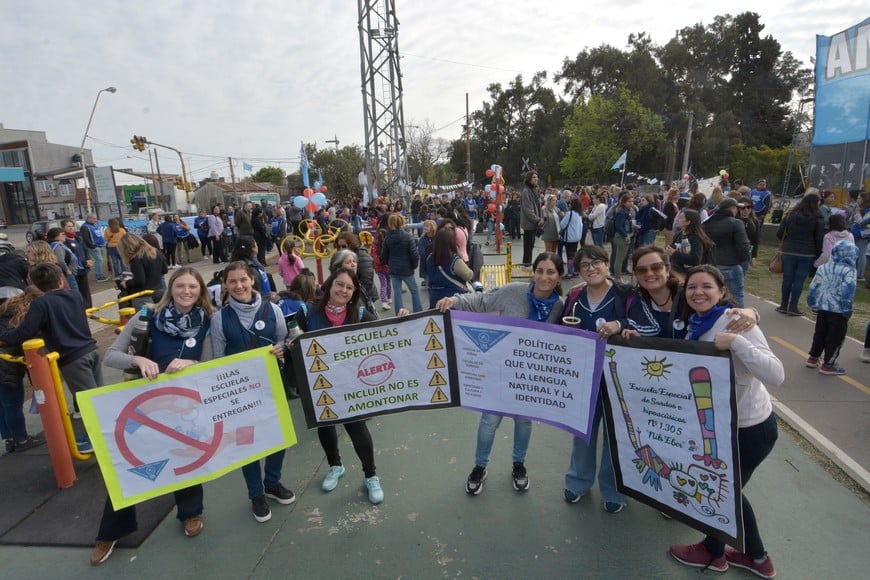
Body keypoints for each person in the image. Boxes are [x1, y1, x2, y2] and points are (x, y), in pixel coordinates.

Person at [93, 267, 215, 565]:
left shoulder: (207, 323)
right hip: (142, 406)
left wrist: (190, 363)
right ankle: (111, 530)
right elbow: (111, 356)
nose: (187, 291)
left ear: (201, 292)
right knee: (128, 464)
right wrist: (138, 358)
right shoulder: (147, 316)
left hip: (183, 406)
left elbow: (212, 362)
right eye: (181, 286)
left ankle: (190, 512)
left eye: (193, 287)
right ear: (171, 288)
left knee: (185, 458)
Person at [669, 265, 783, 580]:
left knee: (726, 493)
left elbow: (777, 374)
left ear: (722, 291)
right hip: (718, 427)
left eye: (707, 286)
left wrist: (736, 342)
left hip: (749, 429)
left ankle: (745, 555)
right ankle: (728, 553)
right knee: (722, 490)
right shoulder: (695, 322)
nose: (698, 293)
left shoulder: (735, 322)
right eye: (692, 287)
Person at [436, 252, 564, 495]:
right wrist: (454, 301)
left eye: (551, 272)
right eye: (540, 271)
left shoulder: (559, 306)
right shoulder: (513, 292)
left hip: (529, 377)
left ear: (559, 277)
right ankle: (480, 466)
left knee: (524, 422)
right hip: (500, 372)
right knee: (489, 422)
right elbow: (482, 301)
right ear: (533, 273)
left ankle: (519, 464)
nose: (544, 277)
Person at [291, 268, 387, 504]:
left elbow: (385, 335)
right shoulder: (307, 311)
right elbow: (292, 339)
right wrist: (288, 344)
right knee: (325, 426)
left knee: (357, 429)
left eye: (349, 287)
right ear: (329, 285)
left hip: (350, 385)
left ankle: (370, 475)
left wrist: (404, 318)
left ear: (354, 292)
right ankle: (335, 465)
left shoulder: (361, 313)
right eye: (339, 284)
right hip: (319, 384)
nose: (343, 290)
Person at [210, 261, 295, 522]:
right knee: (247, 442)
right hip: (240, 393)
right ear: (225, 284)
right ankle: (255, 493)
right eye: (232, 281)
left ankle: (272, 482)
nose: (238, 286)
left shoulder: (273, 310)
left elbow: (283, 338)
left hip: (272, 384)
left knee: (276, 436)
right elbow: (217, 357)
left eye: (243, 280)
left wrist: (282, 348)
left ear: (252, 280)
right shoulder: (219, 318)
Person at [559, 246, 634, 513]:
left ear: (607, 264)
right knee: (583, 433)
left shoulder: (625, 294)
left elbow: (642, 324)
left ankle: (614, 489)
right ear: (578, 272)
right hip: (583, 377)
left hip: (618, 379)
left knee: (615, 436)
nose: (591, 268)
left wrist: (620, 324)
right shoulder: (575, 296)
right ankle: (578, 481)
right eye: (585, 265)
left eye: (597, 262)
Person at [0, 262, 102, 435]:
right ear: (61, 280)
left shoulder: (41, 303)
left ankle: (96, 438)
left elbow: (25, 331)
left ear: (35, 284)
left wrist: (4, 336)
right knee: (99, 395)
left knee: (88, 401)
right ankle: (105, 434)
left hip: (72, 357)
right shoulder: (74, 295)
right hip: (91, 349)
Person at [623, 245, 759, 342]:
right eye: (642, 270)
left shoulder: (690, 295)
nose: (649, 273)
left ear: (667, 269)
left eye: (656, 267)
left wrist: (751, 311)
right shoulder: (634, 302)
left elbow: (724, 308)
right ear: (635, 273)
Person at [0, 286, 42, 453]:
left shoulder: (6, 309)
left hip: (5, 360)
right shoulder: (25, 317)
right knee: (12, 403)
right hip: (7, 364)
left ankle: (9, 439)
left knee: (3, 404)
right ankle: (21, 440)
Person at [806, 240, 858, 375]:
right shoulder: (850, 271)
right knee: (835, 337)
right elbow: (848, 291)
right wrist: (847, 309)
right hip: (839, 310)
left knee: (820, 333)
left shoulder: (824, 267)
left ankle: (813, 357)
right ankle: (828, 364)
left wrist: (812, 302)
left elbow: (814, 286)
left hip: (823, 306)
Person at [775, 192, 824, 316]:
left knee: (787, 278)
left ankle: (783, 304)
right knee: (799, 280)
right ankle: (793, 306)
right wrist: (818, 255)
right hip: (808, 252)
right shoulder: (817, 218)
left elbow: (780, 233)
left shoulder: (791, 214)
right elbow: (819, 239)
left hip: (789, 249)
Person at [702, 198, 750, 307]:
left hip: (712, 264)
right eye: (737, 208)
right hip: (730, 264)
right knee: (736, 297)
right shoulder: (736, 223)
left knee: (714, 297)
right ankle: (738, 320)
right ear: (732, 209)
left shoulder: (707, 222)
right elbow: (744, 245)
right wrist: (741, 259)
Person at [380, 213, 422, 315]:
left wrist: (389, 263)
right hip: (407, 268)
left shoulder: (387, 238)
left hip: (394, 268)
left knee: (397, 293)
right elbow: (414, 254)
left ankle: (399, 314)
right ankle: (418, 313)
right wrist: (414, 266)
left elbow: (384, 255)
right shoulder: (408, 237)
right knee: (414, 291)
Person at [117, 233, 168, 310]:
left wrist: (126, 283)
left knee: (143, 319)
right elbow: (165, 270)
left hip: (143, 297)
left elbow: (140, 281)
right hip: (159, 292)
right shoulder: (156, 252)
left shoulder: (136, 259)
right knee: (159, 317)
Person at [426, 226, 474, 308]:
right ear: (452, 241)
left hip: (435, 298)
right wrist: (461, 256)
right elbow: (469, 275)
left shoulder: (430, 257)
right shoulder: (454, 259)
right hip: (453, 299)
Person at [665, 209, 713, 279]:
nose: (677, 219)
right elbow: (672, 251)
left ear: (688, 222)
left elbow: (695, 259)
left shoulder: (695, 238)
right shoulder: (678, 234)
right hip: (676, 273)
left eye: (681, 218)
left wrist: (674, 253)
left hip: (690, 275)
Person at [335, 232, 376, 310]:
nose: (340, 249)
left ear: (351, 245)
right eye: (338, 246)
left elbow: (366, 283)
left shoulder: (363, 257)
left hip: (362, 296)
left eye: (344, 246)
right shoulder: (341, 257)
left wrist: (353, 297)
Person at [330, 249, 376, 315]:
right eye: (348, 262)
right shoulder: (333, 286)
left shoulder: (357, 283)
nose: (353, 265)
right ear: (338, 267)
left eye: (354, 261)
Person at [520, 170, 543, 266]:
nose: (536, 179)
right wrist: (537, 219)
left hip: (534, 223)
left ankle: (528, 263)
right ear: (529, 179)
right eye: (534, 177)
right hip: (530, 223)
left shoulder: (533, 190)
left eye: (536, 177)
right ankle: (526, 263)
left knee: (531, 245)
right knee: (528, 246)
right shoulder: (526, 192)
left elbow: (538, 206)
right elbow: (528, 209)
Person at [609, 193, 634, 281]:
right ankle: (618, 278)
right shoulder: (622, 212)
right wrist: (625, 235)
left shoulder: (625, 211)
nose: (631, 203)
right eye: (629, 201)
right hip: (621, 237)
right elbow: (618, 226)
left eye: (632, 201)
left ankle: (617, 277)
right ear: (624, 202)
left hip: (623, 236)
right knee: (619, 259)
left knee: (620, 258)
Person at [559, 198, 583, 278]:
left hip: (569, 237)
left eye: (570, 203)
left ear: (572, 205)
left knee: (569, 256)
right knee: (574, 254)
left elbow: (562, 224)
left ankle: (570, 273)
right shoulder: (579, 214)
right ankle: (575, 271)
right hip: (577, 237)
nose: (569, 205)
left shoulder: (570, 213)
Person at [80, 214, 108, 281]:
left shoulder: (93, 225)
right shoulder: (85, 227)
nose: (96, 220)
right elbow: (85, 238)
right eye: (94, 218)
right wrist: (93, 246)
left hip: (98, 246)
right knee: (99, 260)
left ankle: (100, 275)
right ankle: (99, 276)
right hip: (93, 247)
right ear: (89, 218)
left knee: (99, 260)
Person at [737, 198, 761, 274]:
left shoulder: (754, 221)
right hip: (734, 251)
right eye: (743, 207)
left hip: (747, 252)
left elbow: (756, 240)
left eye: (749, 207)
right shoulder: (734, 220)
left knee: (742, 274)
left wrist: (754, 256)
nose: (746, 210)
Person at [372, 229, 392, 310]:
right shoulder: (386, 245)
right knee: (388, 283)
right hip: (387, 267)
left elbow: (372, 258)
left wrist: (375, 267)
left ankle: (384, 301)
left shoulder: (374, 247)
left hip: (379, 268)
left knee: (383, 285)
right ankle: (389, 297)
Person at [417, 219, 436, 287]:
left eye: (427, 226)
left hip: (437, 266)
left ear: (433, 227)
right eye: (424, 226)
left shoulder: (437, 238)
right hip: (427, 266)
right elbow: (422, 254)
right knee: (429, 288)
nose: (425, 227)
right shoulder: (422, 240)